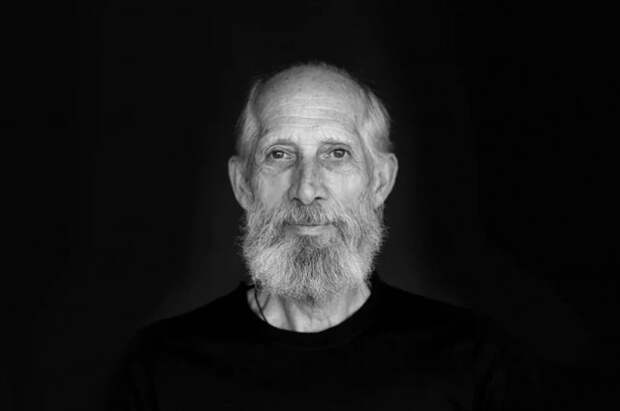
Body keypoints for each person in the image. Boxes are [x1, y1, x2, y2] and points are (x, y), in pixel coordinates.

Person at [121, 62, 546, 410]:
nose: (307, 189)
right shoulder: (160, 365)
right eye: (279, 154)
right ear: (243, 185)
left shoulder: (472, 359)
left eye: (337, 154)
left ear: (380, 182)